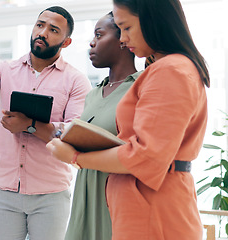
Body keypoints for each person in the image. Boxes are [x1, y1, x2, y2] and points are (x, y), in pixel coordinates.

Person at [47, 0, 210, 239]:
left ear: (150, 20)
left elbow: (146, 156)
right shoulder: (166, 69)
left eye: (127, 27)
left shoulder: (170, 71)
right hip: (143, 208)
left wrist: (75, 158)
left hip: (154, 210)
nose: (123, 39)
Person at [0, 6, 92, 240]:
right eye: (40, 25)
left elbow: (73, 133)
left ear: (66, 42)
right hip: (4, 193)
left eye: (53, 29)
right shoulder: (4, 70)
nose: (43, 32)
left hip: (51, 195)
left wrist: (29, 125)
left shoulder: (76, 81)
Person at [65, 12, 140, 240]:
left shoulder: (141, 88)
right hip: (83, 195)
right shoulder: (93, 94)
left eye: (99, 34)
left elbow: (141, 152)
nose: (91, 42)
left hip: (118, 197)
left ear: (123, 40)